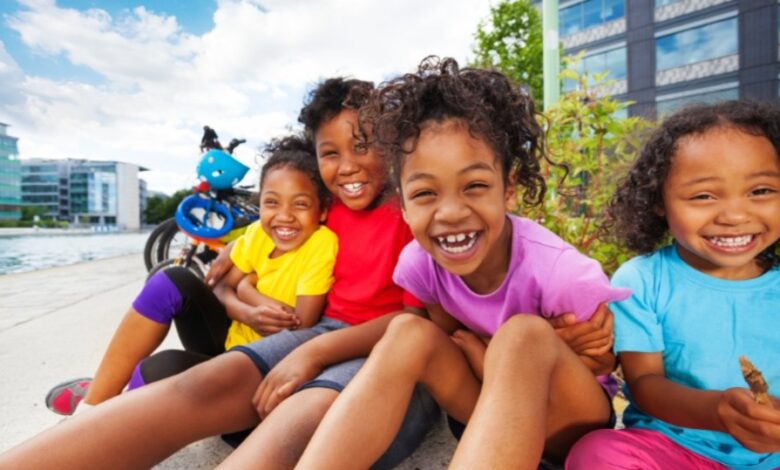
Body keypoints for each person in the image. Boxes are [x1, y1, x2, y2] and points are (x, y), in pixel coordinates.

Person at [0, 77, 439, 470]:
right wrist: (240, 275)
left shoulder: (410, 211)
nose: (347, 166)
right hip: (316, 334)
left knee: (295, 423)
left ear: (390, 143)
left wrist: (316, 352)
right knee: (197, 384)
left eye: (363, 145)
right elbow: (238, 262)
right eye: (330, 153)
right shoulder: (322, 211)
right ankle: (91, 410)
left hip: (381, 351)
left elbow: (416, 323)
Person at [295, 57, 631, 470]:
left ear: (508, 189)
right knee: (407, 331)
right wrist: (484, 359)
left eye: (474, 186)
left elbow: (608, 363)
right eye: (425, 193)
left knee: (523, 336)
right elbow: (449, 339)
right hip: (484, 408)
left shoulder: (563, 274)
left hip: (568, 428)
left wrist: (539, 352)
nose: (451, 212)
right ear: (403, 205)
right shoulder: (420, 264)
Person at [45, 134, 337, 416]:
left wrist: (246, 289)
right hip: (229, 344)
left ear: (322, 211)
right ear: (259, 204)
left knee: (158, 368)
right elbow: (220, 289)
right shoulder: (258, 234)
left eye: (300, 204)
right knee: (171, 280)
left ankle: (104, 412)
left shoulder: (321, 243)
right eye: (271, 202)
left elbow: (300, 322)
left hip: (258, 370)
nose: (284, 215)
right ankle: (94, 405)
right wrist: (248, 311)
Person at [565, 100, 780, 469]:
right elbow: (645, 382)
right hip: (674, 449)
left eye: (760, 191)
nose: (734, 215)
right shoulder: (643, 280)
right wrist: (718, 410)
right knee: (597, 453)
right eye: (703, 196)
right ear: (659, 201)